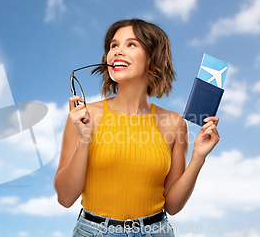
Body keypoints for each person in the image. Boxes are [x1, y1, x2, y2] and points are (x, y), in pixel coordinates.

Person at [53, 19, 220, 237]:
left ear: (153, 58)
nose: (117, 51)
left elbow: (173, 205)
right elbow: (65, 198)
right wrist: (85, 138)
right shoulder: (84, 116)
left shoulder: (174, 122)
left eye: (131, 44)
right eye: (114, 46)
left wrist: (198, 157)